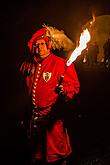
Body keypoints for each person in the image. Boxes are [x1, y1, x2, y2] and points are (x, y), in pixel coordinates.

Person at [20, 25, 80, 165]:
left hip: (53, 116)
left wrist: (64, 90)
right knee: (38, 152)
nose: (39, 48)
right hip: (35, 116)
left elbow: (74, 86)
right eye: (36, 45)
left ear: (49, 45)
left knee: (56, 152)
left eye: (42, 44)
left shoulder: (61, 64)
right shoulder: (31, 65)